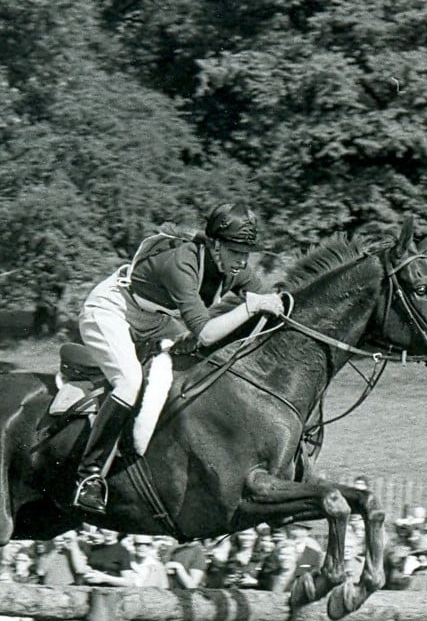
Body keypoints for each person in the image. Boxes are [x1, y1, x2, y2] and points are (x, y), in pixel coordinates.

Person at [73, 201, 282, 512]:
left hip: (155, 321)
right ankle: (89, 477)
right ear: (214, 245)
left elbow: (271, 301)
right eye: (236, 252)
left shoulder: (233, 268)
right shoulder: (182, 263)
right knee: (129, 382)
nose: (242, 262)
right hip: (112, 310)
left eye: (246, 253)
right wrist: (252, 306)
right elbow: (208, 333)